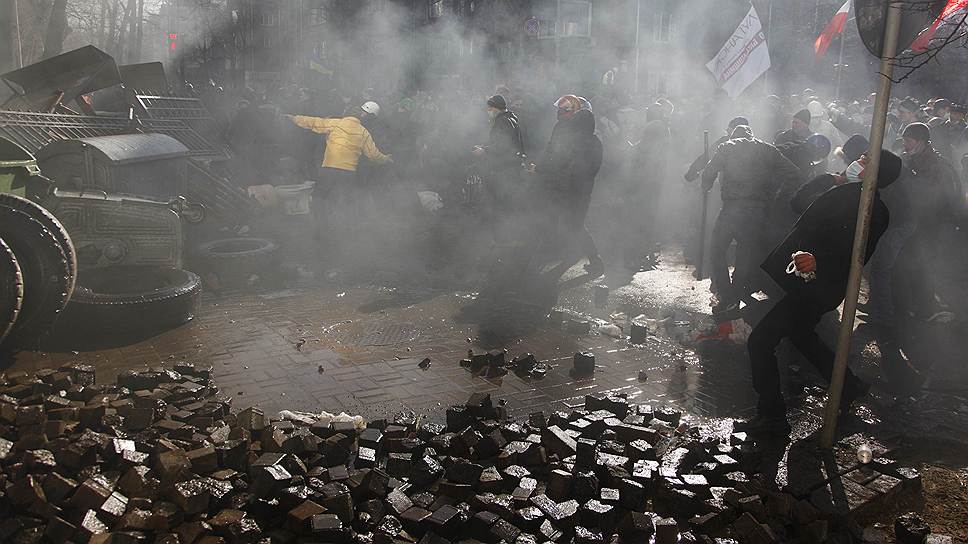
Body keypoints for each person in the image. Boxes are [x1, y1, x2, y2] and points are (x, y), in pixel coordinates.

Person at [746, 150, 904, 433]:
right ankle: (849, 385)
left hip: (818, 287)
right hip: (806, 282)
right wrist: (826, 180)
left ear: (874, 172)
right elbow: (799, 204)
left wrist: (820, 260)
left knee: (760, 341)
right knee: (802, 335)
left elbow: (856, 254)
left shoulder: (873, 209)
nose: (858, 160)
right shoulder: (845, 191)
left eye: (865, 160)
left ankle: (772, 415)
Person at [700, 125, 802, 314]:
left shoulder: (727, 146)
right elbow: (794, 173)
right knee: (745, 255)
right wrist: (777, 194)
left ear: (733, 136)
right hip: (757, 211)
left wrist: (705, 185)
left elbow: (709, 172)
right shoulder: (768, 149)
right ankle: (735, 296)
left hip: (732, 208)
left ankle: (725, 293)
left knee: (717, 248)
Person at [286, 101, 393, 260]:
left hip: (329, 170)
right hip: (348, 174)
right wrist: (386, 159)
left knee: (320, 201)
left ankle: (321, 234)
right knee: (342, 204)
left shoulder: (335, 123)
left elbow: (314, 122)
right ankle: (344, 237)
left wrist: (294, 118)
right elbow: (373, 154)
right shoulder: (364, 133)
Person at [895, 122, 961, 322]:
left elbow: (940, 199)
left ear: (921, 141)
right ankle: (911, 305)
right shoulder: (912, 159)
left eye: (909, 140)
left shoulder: (938, 165)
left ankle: (926, 309)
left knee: (923, 267)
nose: (905, 144)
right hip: (915, 224)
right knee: (910, 265)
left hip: (933, 227)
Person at [473, 94, 526, 212]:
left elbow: (503, 145)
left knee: (503, 201)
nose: (488, 111)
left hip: (506, 168)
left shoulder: (502, 121)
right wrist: (485, 147)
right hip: (512, 166)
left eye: (490, 108)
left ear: (497, 108)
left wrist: (484, 150)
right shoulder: (509, 118)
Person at [684, 116, 749, 182]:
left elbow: (707, 157)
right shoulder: (757, 144)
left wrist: (692, 172)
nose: (727, 132)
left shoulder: (725, 142)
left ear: (735, 131)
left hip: (729, 186)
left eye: (729, 131)